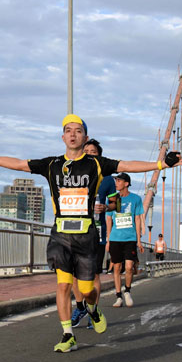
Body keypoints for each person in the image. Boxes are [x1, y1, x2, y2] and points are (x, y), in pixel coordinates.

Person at [0, 115, 182, 352]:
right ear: (62, 137)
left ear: (85, 137)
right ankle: (67, 333)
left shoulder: (97, 164)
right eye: (68, 130)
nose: (72, 134)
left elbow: (128, 165)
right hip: (60, 233)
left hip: (86, 234)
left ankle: (92, 308)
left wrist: (162, 164)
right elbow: (19, 163)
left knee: (88, 289)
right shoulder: (52, 164)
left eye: (78, 131)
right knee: (63, 285)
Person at [70, 138, 117, 330]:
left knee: (94, 275)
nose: (89, 154)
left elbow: (117, 204)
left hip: (96, 232)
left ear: (99, 156)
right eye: (86, 151)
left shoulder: (107, 179)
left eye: (93, 152)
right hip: (73, 230)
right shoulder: (72, 174)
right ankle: (81, 306)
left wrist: (106, 206)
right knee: (74, 274)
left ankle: (93, 310)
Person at [106, 173, 144, 307]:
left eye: (119, 180)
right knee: (117, 267)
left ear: (126, 183)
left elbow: (138, 219)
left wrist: (139, 240)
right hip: (115, 238)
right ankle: (118, 296)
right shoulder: (112, 198)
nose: (116, 182)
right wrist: (108, 240)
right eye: (115, 180)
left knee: (128, 267)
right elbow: (109, 219)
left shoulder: (136, 199)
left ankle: (127, 291)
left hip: (130, 238)